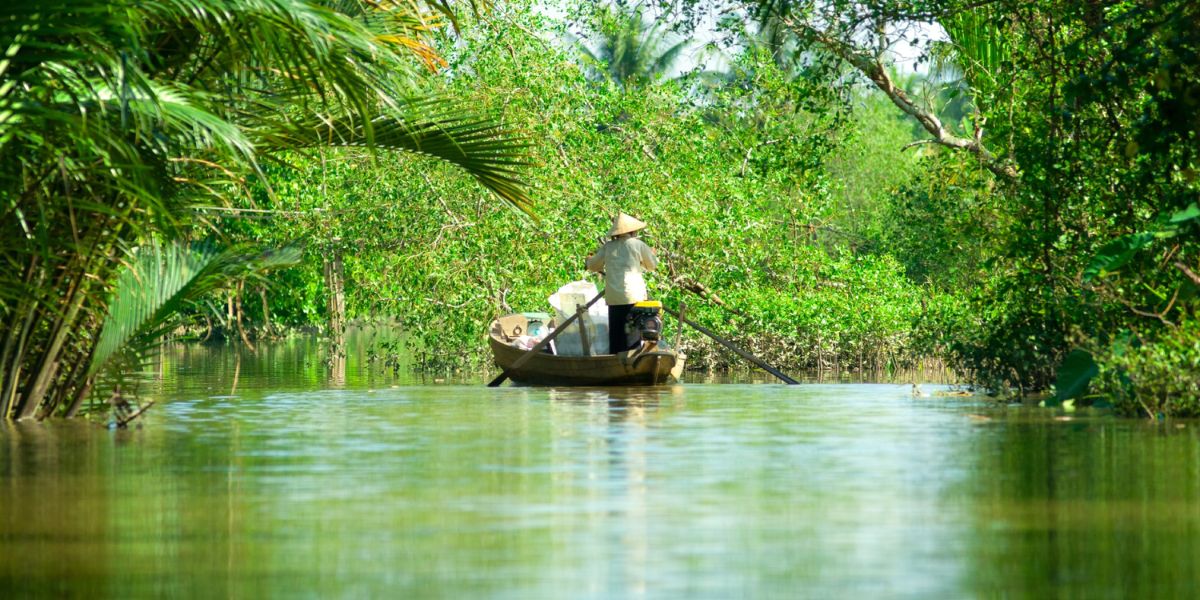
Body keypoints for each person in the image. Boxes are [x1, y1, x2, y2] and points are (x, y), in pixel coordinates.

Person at [586, 212, 658, 352]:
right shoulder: (638, 244)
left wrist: (588, 260)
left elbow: (593, 266)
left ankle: (615, 362)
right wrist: (649, 257)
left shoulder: (609, 247)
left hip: (615, 298)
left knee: (617, 335)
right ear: (633, 231)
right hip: (634, 297)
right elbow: (652, 266)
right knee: (632, 335)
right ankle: (632, 362)